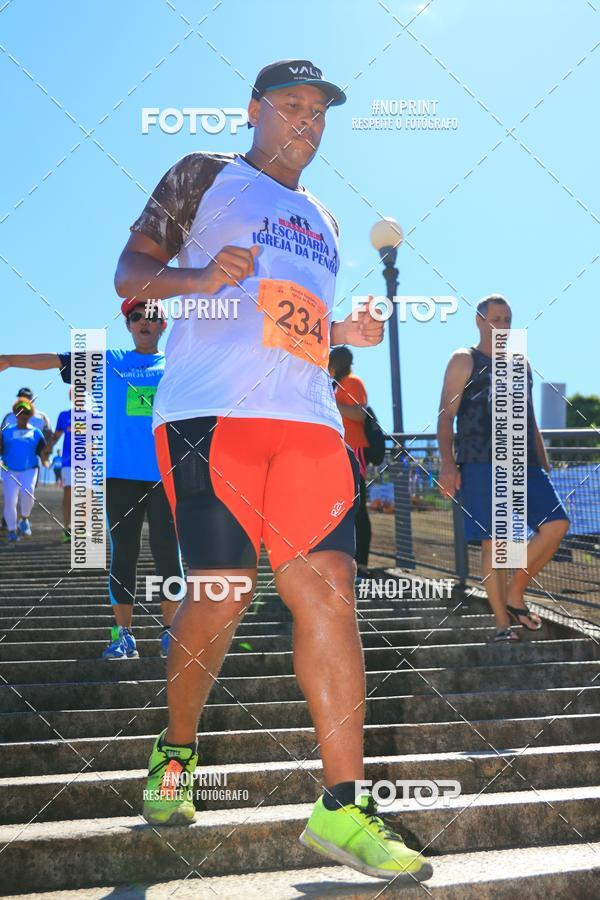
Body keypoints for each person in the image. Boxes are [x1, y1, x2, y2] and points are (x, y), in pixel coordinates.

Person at [115, 58, 432, 884]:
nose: (308, 120)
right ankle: (176, 750)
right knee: (221, 593)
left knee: (329, 588)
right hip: (210, 415)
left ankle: (342, 804)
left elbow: (291, 322)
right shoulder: (203, 175)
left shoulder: (323, 217)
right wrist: (196, 276)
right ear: (254, 110)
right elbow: (131, 274)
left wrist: (344, 338)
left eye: (320, 110)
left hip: (308, 423)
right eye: (292, 105)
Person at [0, 299, 184, 659]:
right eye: (136, 316)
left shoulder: (179, 363)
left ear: (164, 325)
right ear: (128, 325)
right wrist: (8, 360)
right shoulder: (110, 361)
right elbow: (56, 359)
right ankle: (123, 636)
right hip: (120, 477)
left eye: (152, 317)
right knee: (124, 554)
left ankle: (172, 635)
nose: (144, 322)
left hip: (166, 475)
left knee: (168, 555)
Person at [437, 295, 570, 642]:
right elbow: (446, 416)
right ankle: (501, 625)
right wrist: (448, 464)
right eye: (496, 318)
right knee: (493, 545)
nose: (503, 325)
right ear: (479, 321)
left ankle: (515, 591)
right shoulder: (463, 360)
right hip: (480, 462)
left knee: (556, 525)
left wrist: (542, 461)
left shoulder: (519, 363)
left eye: (508, 319)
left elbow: (530, 418)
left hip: (523, 461)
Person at [329, 346, 372, 579]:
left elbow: (359, 414)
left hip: (355, 449)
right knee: (344, 508)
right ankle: (348, 564)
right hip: (338, 449)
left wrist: (332, 402)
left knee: (358, 509)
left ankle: (362, 565)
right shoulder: (337, 385)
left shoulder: (353, 382)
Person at [0, 398, 47, 542]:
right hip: (9, 470)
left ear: (30, 414)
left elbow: (42, 451)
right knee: (10, 500)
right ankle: (12, 530)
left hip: (30, 469)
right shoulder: (6, 432)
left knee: (28, 490)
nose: (22, 414)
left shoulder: (37, 432)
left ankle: (25, 519)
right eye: (20, 411)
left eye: (26, 412)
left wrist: (46, 460)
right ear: (15, 413)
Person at [45, 402, 72, 541]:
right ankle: (67, 528)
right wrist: (47, 449)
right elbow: (56, 436)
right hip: (68, 461)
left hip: (88, 463)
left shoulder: (94, 414)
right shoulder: (64, 415)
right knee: (68, 492)